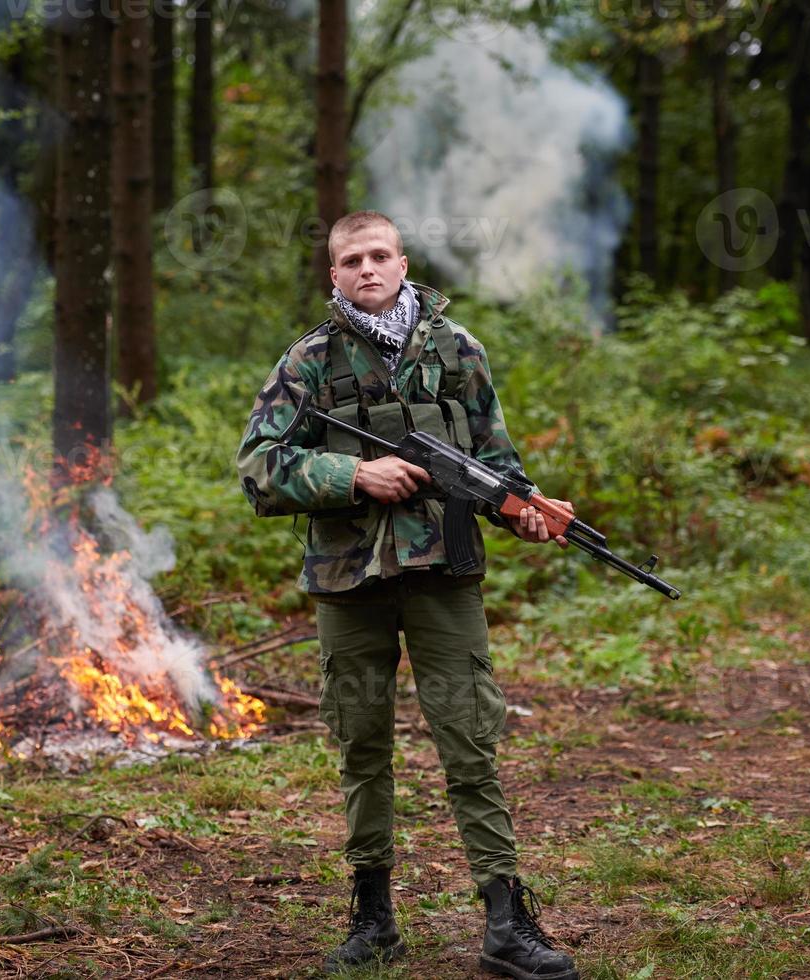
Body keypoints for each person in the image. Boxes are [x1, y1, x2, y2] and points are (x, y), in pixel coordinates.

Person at [235, 210, 581, 979]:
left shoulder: (460, 353)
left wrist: (529, 511)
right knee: (362, 745)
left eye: (379, 254)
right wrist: (351, 474)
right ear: (334, 274)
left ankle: (505, 920)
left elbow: (497, 462)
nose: (367, 268)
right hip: (349, 583)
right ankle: (372, 919)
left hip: (443, 578)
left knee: (471, 742)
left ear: (402, 261)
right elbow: (259, 468)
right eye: (351, 258)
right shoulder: (309, 362)